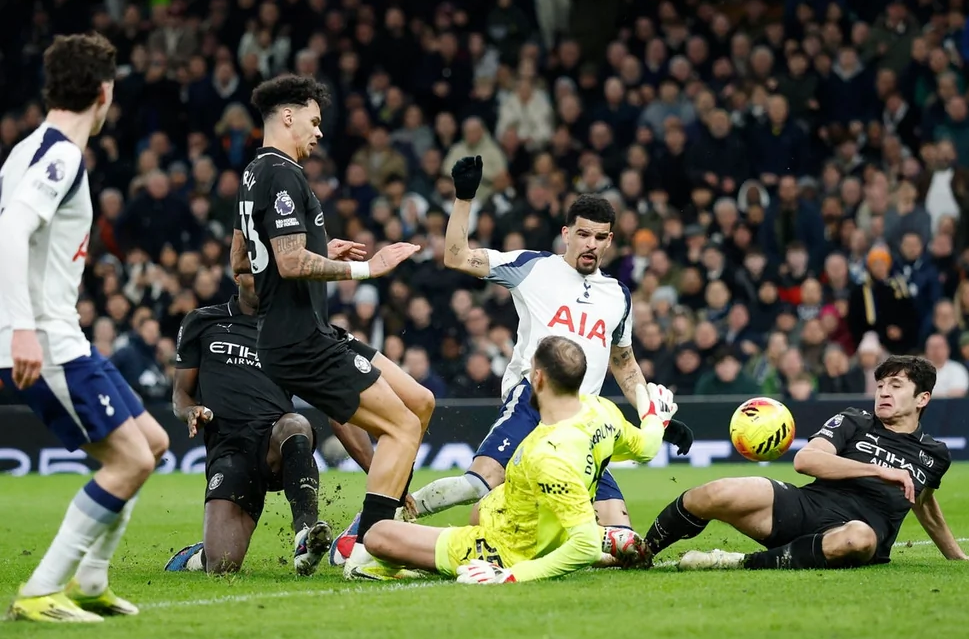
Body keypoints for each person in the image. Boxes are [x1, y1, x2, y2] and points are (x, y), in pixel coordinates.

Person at [406, 155, 693, 533]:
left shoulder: (619, 295)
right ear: (566, 233)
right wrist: (464, 198)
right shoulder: (533, 267)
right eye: (583, 234)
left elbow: (624, 364)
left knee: (621, 537)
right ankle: (379, 523)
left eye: (600, 237)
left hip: (582, 421)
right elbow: (456, 257)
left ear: (610, 241)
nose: (591, 244)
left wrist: (652, 417)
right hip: (534, 398)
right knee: (479, 482)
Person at [230, 75, 429, 580]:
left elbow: (242, 264)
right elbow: (292, 263)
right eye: (314, 121)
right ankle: (373, 548)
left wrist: (320, 246)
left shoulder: (252, 174)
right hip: (300, 340)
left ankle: (372, 519)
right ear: (289, 115)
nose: (319, 133)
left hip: (305, 332)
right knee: (402, 427)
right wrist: (369, 267)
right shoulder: (284, 174)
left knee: (420, 402)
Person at [0, 34, 170, 622]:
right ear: (103, 92)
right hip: (45, 341)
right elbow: (10, 232)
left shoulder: (27, 149)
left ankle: (92, 581)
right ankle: (42, 589)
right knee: (130, 462)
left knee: (152, 443)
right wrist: (21, 328)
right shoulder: (61, 156)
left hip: (62, 336)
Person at [362, 336, 676, 582]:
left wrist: (511, 575)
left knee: (378, 535)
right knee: (480, 508)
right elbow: (647, 447)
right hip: (526, 515)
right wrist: (654, 416)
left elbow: (583, 548)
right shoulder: (601, 410)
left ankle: (591, 539)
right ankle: (603, 535)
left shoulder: (549, 454)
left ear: (537, 379)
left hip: (507, 548)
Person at [643, 355, 969, 570]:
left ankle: (736, 562)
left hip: (856, 534)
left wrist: (956, 555)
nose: (883, 393)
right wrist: (877, 469)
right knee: (715, 492)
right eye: (880, 385)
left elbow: (924, 502)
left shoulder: (934, 454)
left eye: (895, 385)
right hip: (804, 508)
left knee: (857, 538)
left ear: (922, 398)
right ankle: (642, 551)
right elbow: (806, 460)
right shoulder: (855, 420)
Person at [164, 272, 375, 575]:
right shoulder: (202, 321)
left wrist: (378, 472)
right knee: (222, 566)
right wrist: (190, 411)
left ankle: (305, 536)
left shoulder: (292, 330)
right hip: (228, 450)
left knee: (296, 424)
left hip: (274, 444)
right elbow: (180, 394)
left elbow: (336, 405)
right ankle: (199, 557)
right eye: (255, 275)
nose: (263, 284)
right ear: (238, 275)